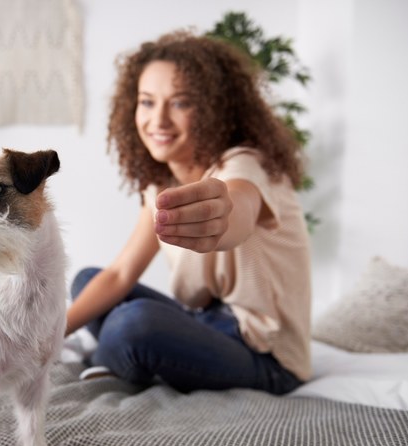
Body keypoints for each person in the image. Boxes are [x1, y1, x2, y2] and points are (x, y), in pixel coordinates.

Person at [66, 29, 311, 394]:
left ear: (214, 109)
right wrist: (44, 337)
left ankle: (116, 359)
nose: (158, 120)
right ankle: (129, 356)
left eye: (180, 103)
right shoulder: (159, 185)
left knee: (134, 323)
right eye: (147, 102)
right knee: (88, 280)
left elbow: (239, 206)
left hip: (267, 355)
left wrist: (223, 214)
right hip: (206, 323)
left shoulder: (245, 164)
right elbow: (120, 274)